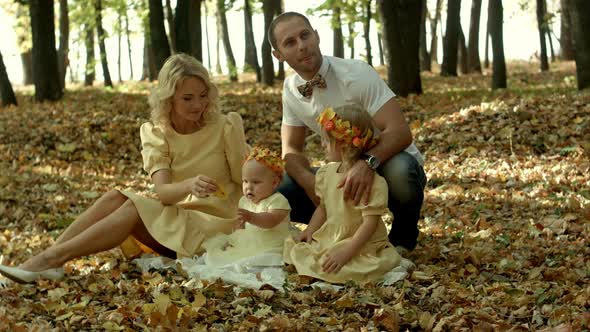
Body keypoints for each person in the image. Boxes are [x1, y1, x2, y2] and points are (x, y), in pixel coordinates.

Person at [0, 54, 248, 284]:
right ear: (168, 98)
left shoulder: (225, 126)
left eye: (203, 95)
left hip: (218, 227)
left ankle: (46, 261)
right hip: (180, 222)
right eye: (188, 98)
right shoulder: (157, 133)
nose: (198, 105)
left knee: (132, 207)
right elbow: (164, 193)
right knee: (115, 196)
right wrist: (189, 185)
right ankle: (49, 260)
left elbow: (245, 179)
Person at [269, 12, 427, 251]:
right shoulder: (291, 89)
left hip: (385, 161)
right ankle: (342, 229)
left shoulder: (356, 73)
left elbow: (400, 132)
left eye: (305, 35)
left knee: (401, 170)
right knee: (280, 185)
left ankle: (403, 239)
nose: (302, 46)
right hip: (341, 168)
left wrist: (367, 163)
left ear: (317, 36)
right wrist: (311, 182)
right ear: (278, 55)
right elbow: (290, 149)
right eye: (290, 42)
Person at [283, 105, 401, 284]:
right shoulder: (326, 173)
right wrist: (310, 230)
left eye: (325, 140)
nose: (322, 144)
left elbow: (370, 223)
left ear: (345, 144)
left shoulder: (371, 182)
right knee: (302, 252)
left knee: (347, 267)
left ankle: (342, 264)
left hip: (359, 242)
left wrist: (347, 251)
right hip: (332, 235)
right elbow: (323, 208)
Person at [202, 147, 291, 267]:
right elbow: (241, 225)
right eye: (245, 181)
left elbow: (271, 221)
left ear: (274, 183)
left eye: (256, 182)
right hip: (250, 241)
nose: (249, 187)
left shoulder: (278, 201)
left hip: (273, 243)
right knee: (227, 256)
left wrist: (251, 217)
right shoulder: (244, 201)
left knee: (261, 259)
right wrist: (235, 238)